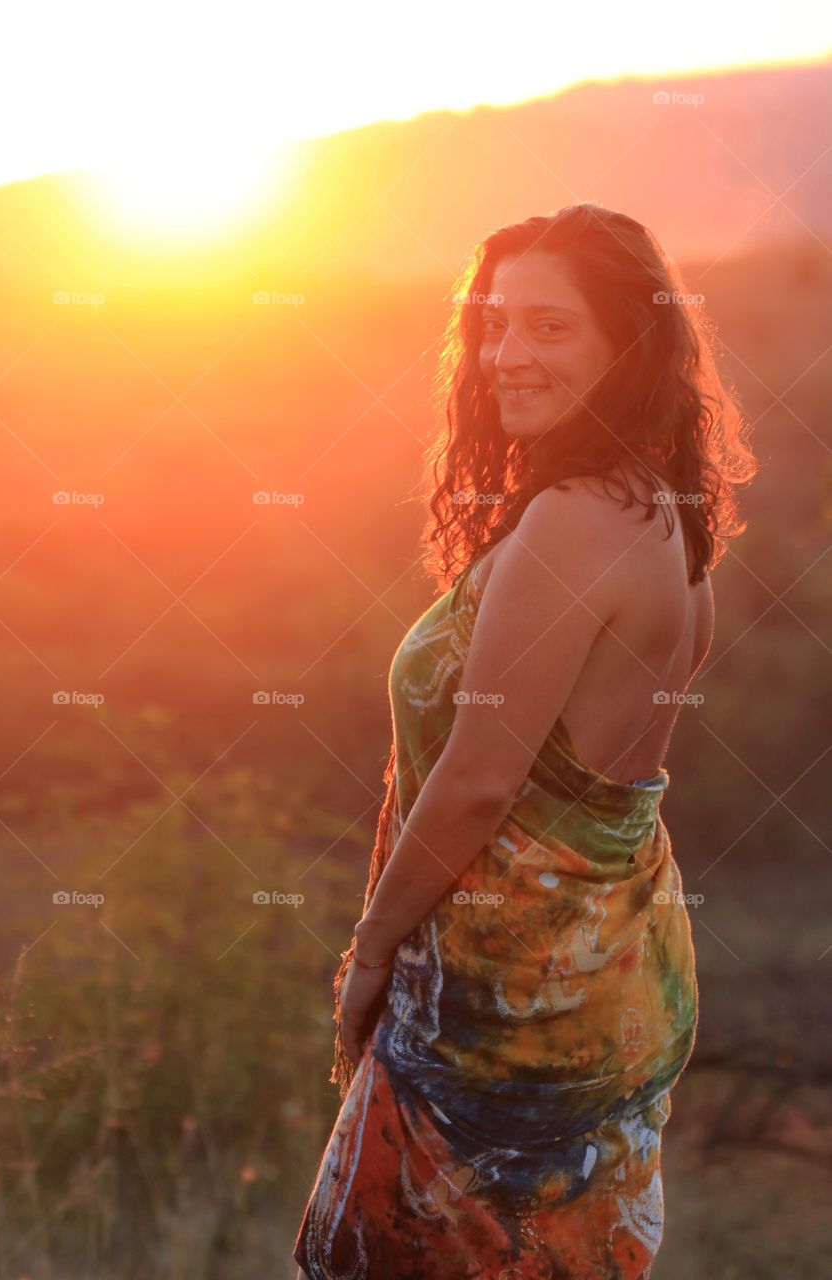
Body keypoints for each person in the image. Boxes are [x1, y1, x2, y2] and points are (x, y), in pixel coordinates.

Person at [293, 201, 757, 1279]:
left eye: (549, 326)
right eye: (496, 323)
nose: (506, 354)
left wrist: (367, 956)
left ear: (626, 340)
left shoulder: (575, 518)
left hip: (510, 1006)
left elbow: (477, 778)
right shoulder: (663, 511)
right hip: (610, 978)